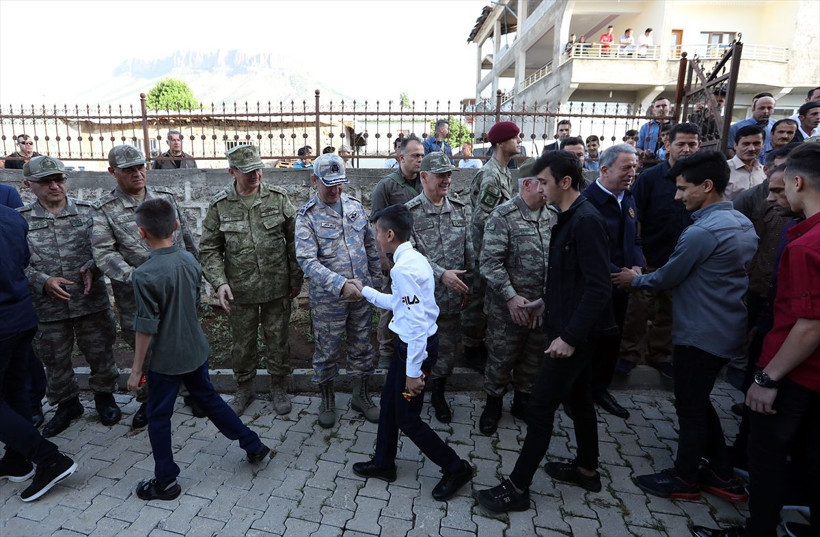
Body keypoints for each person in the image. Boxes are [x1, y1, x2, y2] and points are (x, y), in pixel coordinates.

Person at [692, 136, 820, 537]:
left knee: (767, 459)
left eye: (781, 188)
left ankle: (758, 530)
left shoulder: (808, 246)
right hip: (808, 375)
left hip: (793, 374)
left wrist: (767, 378)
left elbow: (810, 324)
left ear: (798, 183)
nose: (773, 197)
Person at [613, 150, 757, 504]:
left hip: (700, 334)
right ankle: (722, 473)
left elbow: (667, 277)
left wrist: (636, 278)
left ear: (707, 186)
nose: (677, 197)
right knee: (699, 401)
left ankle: (684, 478)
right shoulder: (742, 222)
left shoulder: (703, 232)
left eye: (683, 189)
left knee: (690, 408)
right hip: (725, 328)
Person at [476, 151, 616, 513]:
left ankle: (518, 488)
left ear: (564, 183)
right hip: (565, 325)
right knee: (580, 400)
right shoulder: (570, 217)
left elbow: (599, 288)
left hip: (572, 335)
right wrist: (543, 305)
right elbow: (570, 280)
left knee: (539, 409)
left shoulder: (584, 221)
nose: (539, 187)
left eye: (545, 182)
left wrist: (568, 337)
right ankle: (587, 469)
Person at [127, 198, 272, 501]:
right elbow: (191, 305)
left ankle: (166, 481)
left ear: (141, 233)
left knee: (158, 416)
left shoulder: (143, 274)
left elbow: (145, 327)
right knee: (210, 400)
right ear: (177, 227)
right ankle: (253, 444)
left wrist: (137, 369)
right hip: (195, 348)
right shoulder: (190, 261)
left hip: (167, 360)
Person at [352, 204, 473, 501]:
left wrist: (412, 374)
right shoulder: (413, 257)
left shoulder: (404, 268)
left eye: (377, 233)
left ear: (389, 234)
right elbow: (401, 304)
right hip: (409, 349)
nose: (376, 237)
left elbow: (416, 324)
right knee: (389, 404)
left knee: (407, 418)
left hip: (415, 351)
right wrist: (365, 291)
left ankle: (455, 467)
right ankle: (383, 463)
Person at [92, 145, 199, 429]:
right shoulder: (105, 210)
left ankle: (191, 391)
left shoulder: (165, 199)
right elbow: (104, 252)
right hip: (136, 296)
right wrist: (135, 276)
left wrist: (198, 275)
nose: (137, 173)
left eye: (140, 167)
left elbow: (186, 240)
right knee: (146, 348)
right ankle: (149, 400)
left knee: (183, 338)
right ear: (112, 172)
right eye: (128, 170)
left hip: (176, 291)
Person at [19, 156, 121, 437]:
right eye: (46, 181)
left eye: (59, 179)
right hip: (48, 306)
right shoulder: (21, 220)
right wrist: (42, 280)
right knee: (54, 358)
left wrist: (92, 267)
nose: (55, 186)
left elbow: (106, 248)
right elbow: (14, 262)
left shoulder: (91, 212)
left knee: (101, 352)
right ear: (29, 184)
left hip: (90, 301)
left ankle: (105, 397)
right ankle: (67, 405)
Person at [199, 144, 303, 416]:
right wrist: (219, 282)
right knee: (242, 342)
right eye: (247, 171)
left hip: (276, 286)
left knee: (278, 338)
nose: (256, 175)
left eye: (258, 168)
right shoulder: (220, 206)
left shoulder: (278, 199)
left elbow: (294, 241)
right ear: (231, 172)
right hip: (240, 291)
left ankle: (278, 385)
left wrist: (296, 277)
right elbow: (209, 249)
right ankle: (244, 388)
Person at [295, 154, 382, 428]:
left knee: (362, 346)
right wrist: (340, 284)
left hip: (362, 293)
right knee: (327, 349)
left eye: (340, 184)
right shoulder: (307, 217)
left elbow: (370, 244)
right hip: (329, 299)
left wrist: (375, 281)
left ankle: (361, 396)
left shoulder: (355, 207)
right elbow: (307, 261)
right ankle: (327, 399)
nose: (336, 190)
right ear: (314, 181)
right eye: (329, 184)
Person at [0, 203, 77, 503]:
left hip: (5, 324)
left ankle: (49, 459)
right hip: (21, 318)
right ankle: (17, 459)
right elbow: (22, 261)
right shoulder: (11, 217)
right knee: (14, 390)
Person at [617, 122, 702, 378]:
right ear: (668, 145)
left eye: (692, 144)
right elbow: (635, 216)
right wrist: (638, 250)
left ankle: (660, 355)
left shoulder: (700, 179)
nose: (687, 149)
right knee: (638, 310)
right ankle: (629, 354)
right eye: (681, 144)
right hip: (650, 256)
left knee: (670, 311)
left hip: (682, 260)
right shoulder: (650, 178)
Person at [478, 159, 553, 435]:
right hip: (506, 308)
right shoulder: (503, 216)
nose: (547, 188)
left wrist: (545, 300)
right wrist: (511, 298)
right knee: (501, 357)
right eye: (543, 182)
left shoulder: (552, 215)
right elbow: (489, 263)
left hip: (539, 306)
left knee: (533, 357)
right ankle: (493, 404)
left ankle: (522, 401)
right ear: (528, 184)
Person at [404, 152, 473, 423]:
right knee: (418, 350)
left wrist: (467, 287)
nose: (446, 180)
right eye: (440, 175)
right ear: (424, 176)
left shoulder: (458, 208)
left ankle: (438, 393)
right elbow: (409, 255)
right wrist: (441, 274)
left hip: (453, 298)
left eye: (449, 174)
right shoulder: (409, 213)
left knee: (446, 351)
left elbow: (469, 252)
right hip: (422, 301)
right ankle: (412, 395)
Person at [582, 144, 643, 419]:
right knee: (590, 342)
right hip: (598, 287)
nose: (632, 173)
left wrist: (637, 267)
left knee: (612, 341)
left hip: (624, 285)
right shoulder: (587, 202)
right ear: (605, 169)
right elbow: (587, 251)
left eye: (634, 167)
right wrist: (618, 273)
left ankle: (600, 389)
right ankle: (580, 395)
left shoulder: (627, 199)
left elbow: (635, 239)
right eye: (626, 167)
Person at [465, 121, 521, 372]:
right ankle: (471, 348)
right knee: (477, 300)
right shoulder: (491, 175)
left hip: (492, 250)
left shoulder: (503, 171)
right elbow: (481, 219)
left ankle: (478, 343)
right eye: (515, 138)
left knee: (484, 300)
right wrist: (484, 256)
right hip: (483, 251)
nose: (519, 141)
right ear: (500, 143)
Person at [370, 136, 425, 368]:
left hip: (418, 256)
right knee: (392, 303)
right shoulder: (387, 186)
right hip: (395, 258)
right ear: (401, 157)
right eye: (415, 156)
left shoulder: (425, 182)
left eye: (422, 155)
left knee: (415, 301)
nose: (419, 160)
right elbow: (376, 225)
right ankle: (385, 348)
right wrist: (383, 259)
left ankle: (411, 344)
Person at [726, 125, 766, 200]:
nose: (751, 149)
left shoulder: (764, 172)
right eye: (746, 144)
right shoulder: (723, 169)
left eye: (756, 144)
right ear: (735, 145)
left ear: (763, 145)